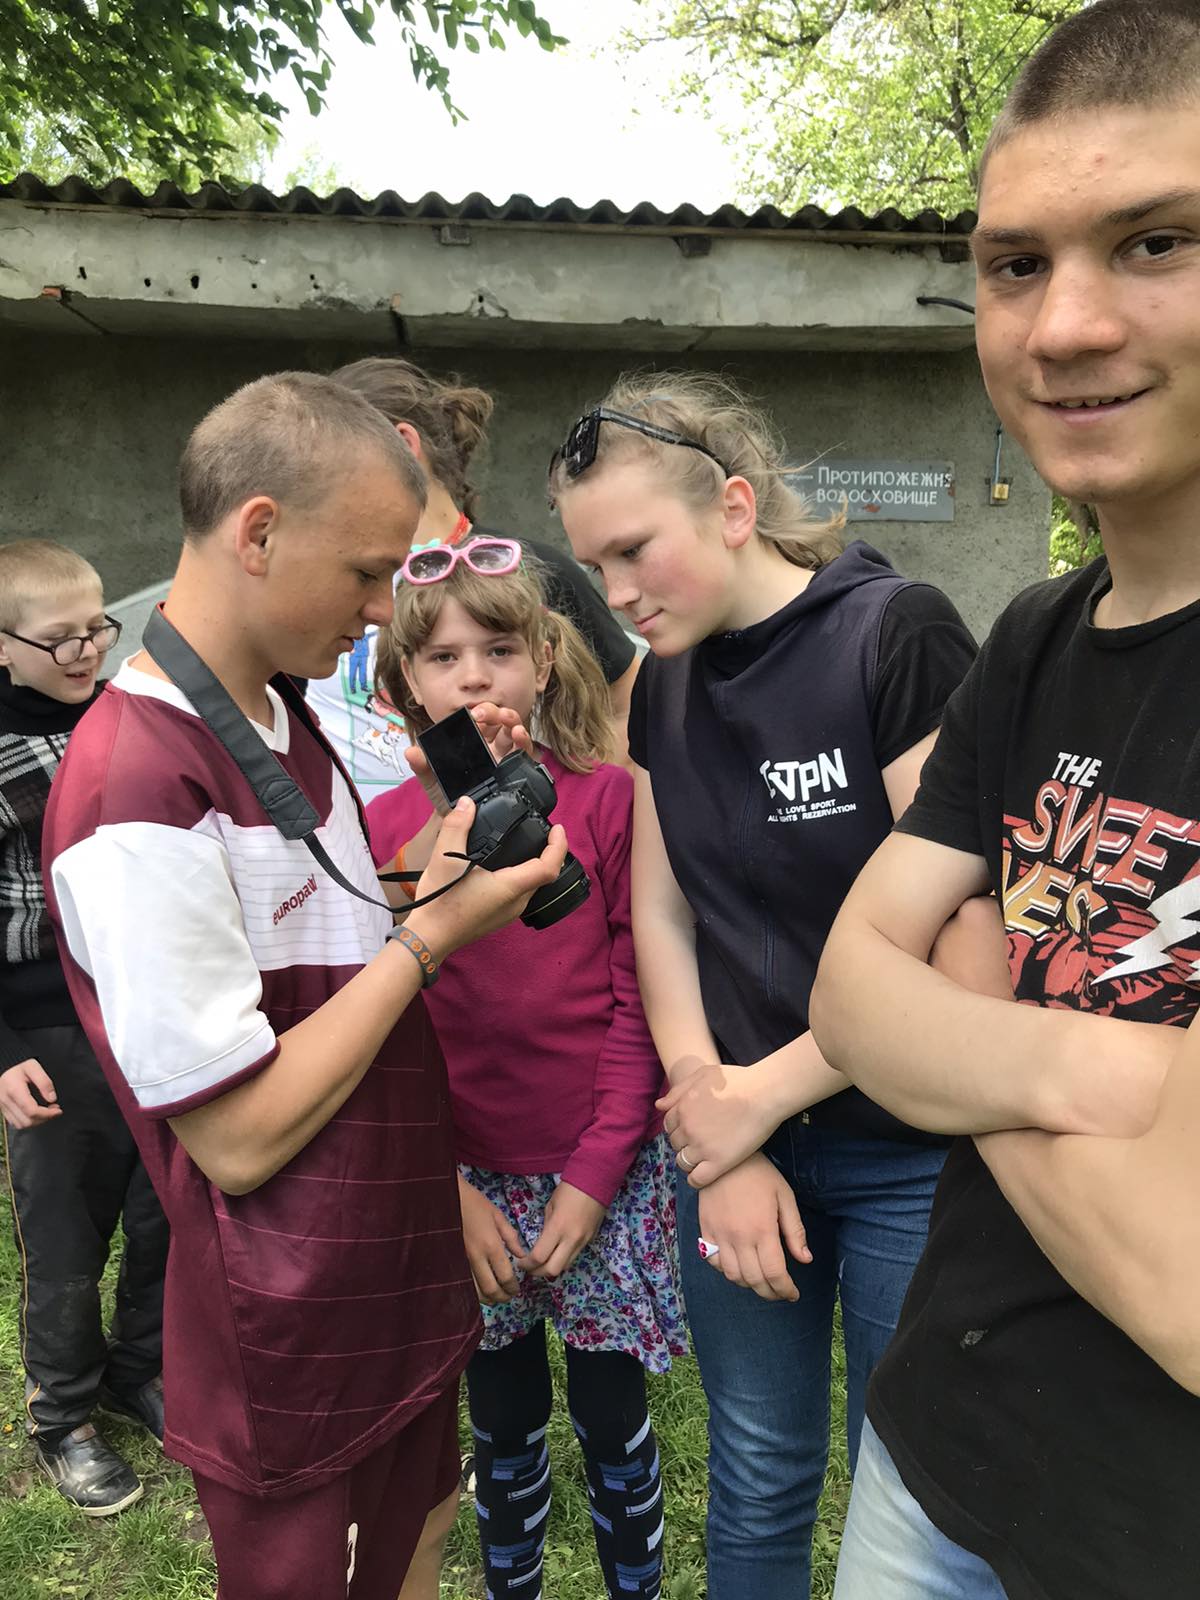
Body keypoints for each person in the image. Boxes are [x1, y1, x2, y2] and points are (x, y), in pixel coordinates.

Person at [41, 373, 570, 1600]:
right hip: (290, 1316)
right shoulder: (135, 785)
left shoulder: (278, 713)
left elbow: (329, 944)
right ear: (260, 532)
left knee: (421, 1534)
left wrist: (436, 860)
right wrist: (434, 939)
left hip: (387, 1264)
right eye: (369, 572)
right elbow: (236, 1135)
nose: (385, 612)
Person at [808, 4, 1200, 1597]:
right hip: (931, 1457)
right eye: (1015, 264)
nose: (1064, 327)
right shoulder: (1036, 638)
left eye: (1157, 242)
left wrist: (970, 1012)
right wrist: (1104, 1072)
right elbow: (848, 993)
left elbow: (1189, 1293)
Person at [549, 371, 978, 1598]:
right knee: (757, 1466)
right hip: (736, 1138)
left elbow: (955, 946)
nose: (618, 595)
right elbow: (664, 912)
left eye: (636, 550)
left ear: (735, 507)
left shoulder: (895, 635)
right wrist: (714, 1127)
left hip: (907, 1145)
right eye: (596, 564)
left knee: (911, 1478)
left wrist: (758, 1098)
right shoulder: (662, 682)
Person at [364, 538, 684, 1600]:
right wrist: (447, 1187)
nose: (473, 678)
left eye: (498, 648)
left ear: (544, 661)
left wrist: (594, 1176)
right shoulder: (384, 832)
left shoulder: (610, 800)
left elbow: (641, 1000)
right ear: (401, 681)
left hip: (602, 1169)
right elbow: (381, 1021)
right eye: (442, 657)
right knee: (499, 1415)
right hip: (466, 1182)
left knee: (611, 1413)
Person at [0, 539, 168, 1515]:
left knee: (164, 1208)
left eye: (97, 628)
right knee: (66, 1225)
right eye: (57, 639)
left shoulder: (126, 718)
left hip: (149, 1012)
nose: (85, 651)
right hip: (47, 1029)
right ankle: (61, 1411)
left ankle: (141, 1367)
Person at [306, 356, 640, 793]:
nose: (308, 485)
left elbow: (629, 706)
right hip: (369, 833)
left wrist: (584, 806)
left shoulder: (526, 569)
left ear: (403, 445)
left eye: (323, 462)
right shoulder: (316, 581)